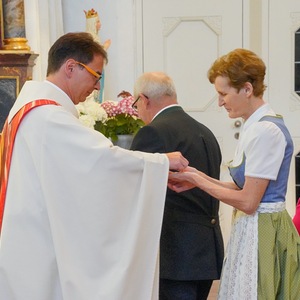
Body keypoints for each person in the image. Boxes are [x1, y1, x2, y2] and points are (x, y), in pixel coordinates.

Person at [0, 32, 189, 300]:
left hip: (30, 235)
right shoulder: (48, 117)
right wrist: (160, 162)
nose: (97, 86)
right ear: (71, 67)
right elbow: (103, 161)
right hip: (40, 243)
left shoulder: (28, 109)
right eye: (95, 75)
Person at [168, 48, 300, 299]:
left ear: (247, 89)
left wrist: (196, 180)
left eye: (223, 94)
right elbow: (242, 189)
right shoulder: (255, 127)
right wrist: (197, 176)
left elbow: (249, 201)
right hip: (254, 227)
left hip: (264, 232)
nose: (219, 102)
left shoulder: (265, 131)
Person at [130, 72, 224, 300]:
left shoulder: (152, 132)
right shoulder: (205, 131)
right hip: (206, 249)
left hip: (175, 252)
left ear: (144, 99)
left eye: (136, 104)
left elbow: (134, 189)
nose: (137, 110)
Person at [85, 8, 111, 103]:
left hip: (99, 69)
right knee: (95, 94)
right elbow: (95, 55)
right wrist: (106, 46)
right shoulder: (90, 37)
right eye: (98, 21)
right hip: (94, 70)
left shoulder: (95, 36)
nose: (100, 24)